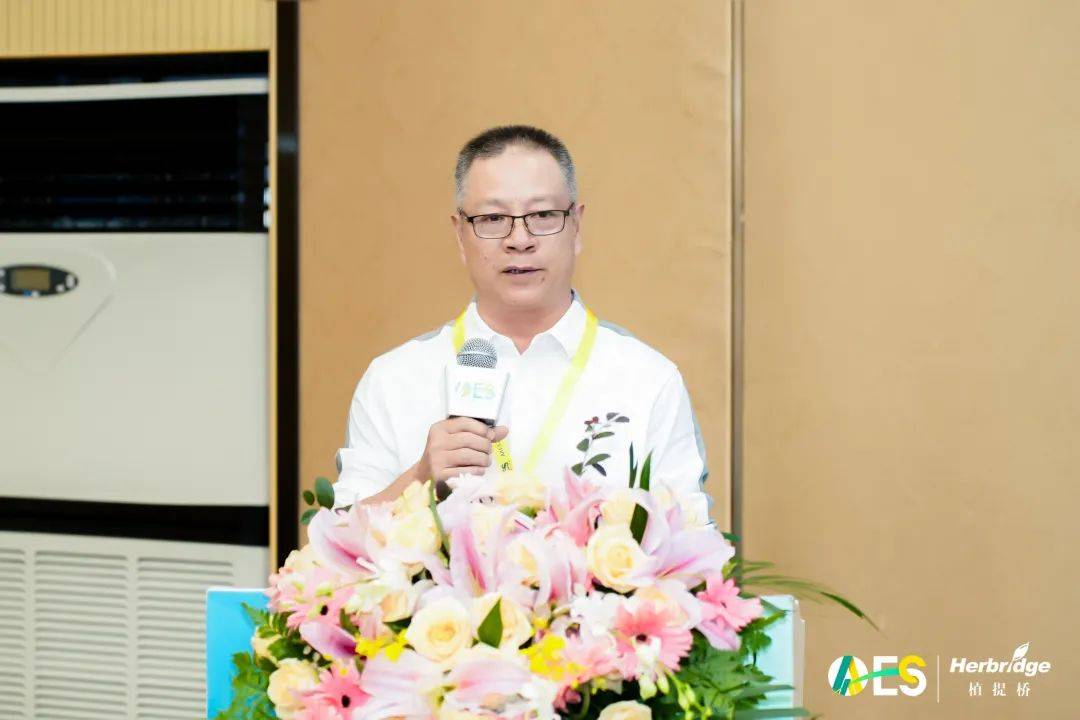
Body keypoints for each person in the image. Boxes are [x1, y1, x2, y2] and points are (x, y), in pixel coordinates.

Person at [334, 125, 709, 517]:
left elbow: (692, 538)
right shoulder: (393, 380)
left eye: (543, 215)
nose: (519, 239)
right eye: (493, 218)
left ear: (576, 226)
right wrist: (419, 478)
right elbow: (337, 541)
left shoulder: (648, 380)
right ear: (460, 235)